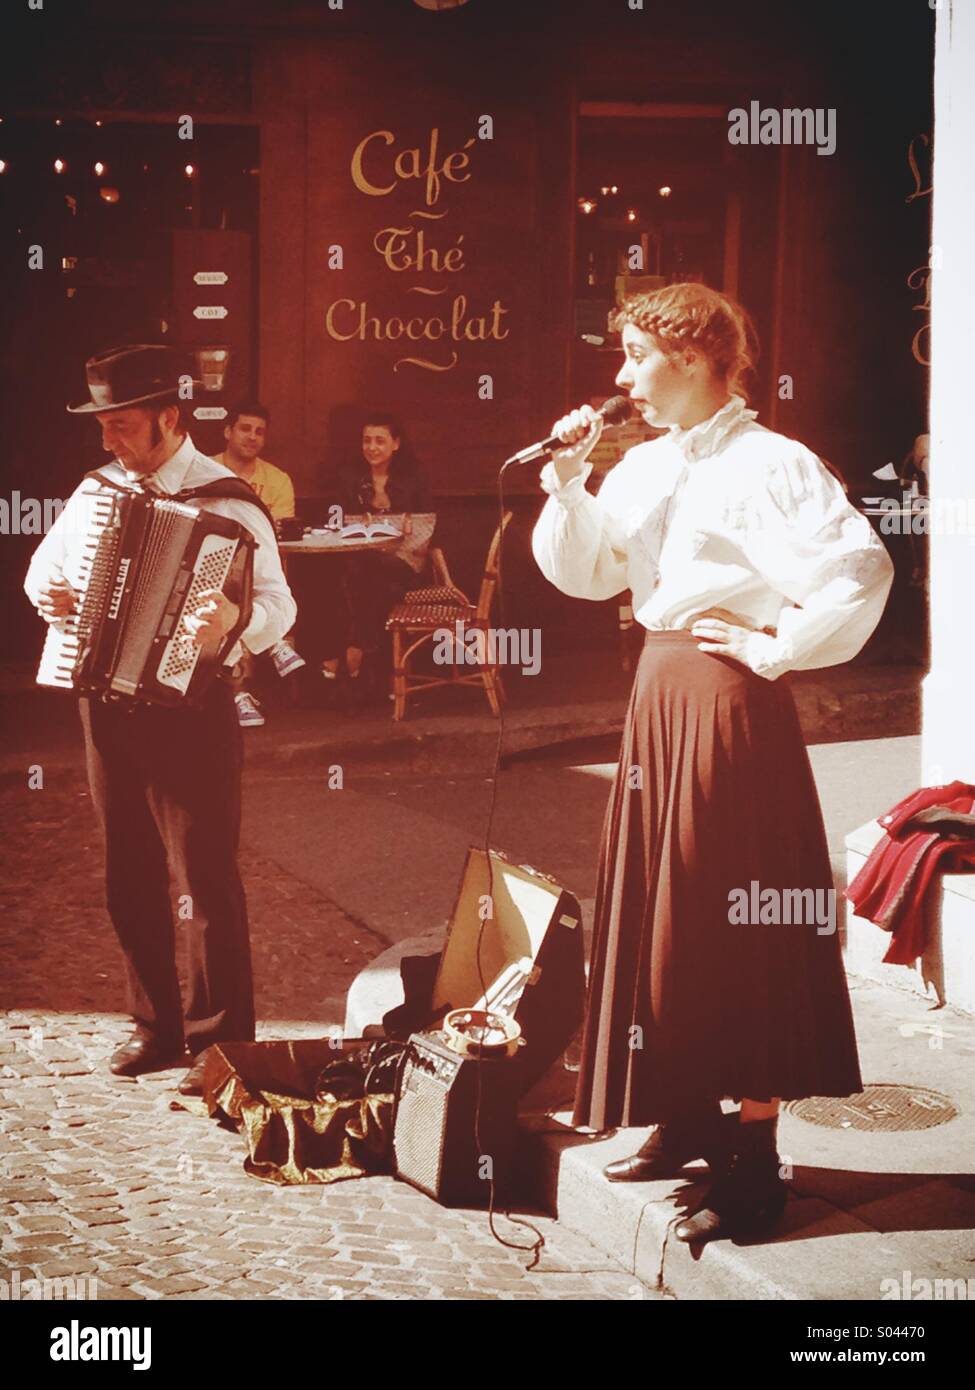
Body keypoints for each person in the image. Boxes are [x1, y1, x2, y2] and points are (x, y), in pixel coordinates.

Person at [531, 284, 894, 1243]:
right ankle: (685, 1114)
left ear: (692, 357)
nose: (620, 377)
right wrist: (569, 481)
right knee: (665, 907)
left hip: (729, 702)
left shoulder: (773, 462)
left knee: (733, 908)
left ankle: (751, 1159)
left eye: (635, 357)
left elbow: (859, 567)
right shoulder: (644, 463)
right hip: (657, 693)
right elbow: (590, 573)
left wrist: (777, 646)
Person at [24, 345, 298, 1096]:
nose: (107, 442)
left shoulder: (228, 499)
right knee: (127, 870)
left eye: (121, 426)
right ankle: (155, 1028)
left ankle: (223, 1049)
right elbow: (41, 573)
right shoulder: (95, 492)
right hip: (106, 701)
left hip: (192, 707)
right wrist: (54, 597)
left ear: (168, 420)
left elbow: (280, 607)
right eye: (103, 426)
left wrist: (229, 628)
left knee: (205, 876)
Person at [320, 413, 434, 705]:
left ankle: (345, 656)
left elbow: (426, 530)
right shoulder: (349, 476)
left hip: (406, 564)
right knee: (359, 578)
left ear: (395, 444)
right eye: (366, 440)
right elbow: (339, 522)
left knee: (358, 576)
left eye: (379, 440)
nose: (371, 447)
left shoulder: (415, 477)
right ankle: (362, 653)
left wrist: (384, 544)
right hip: (364, 567)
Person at [213, 400, 304, 726]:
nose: (252, 437)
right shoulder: (205, 471)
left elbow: (275, 535)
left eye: (260, 432)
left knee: (249, 577)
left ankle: (240, 694)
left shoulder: (277, 479)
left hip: (261, 569)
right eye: (245, 429)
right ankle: (274, 641)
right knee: (229, 584)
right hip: (212, 567)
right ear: (228, 431)